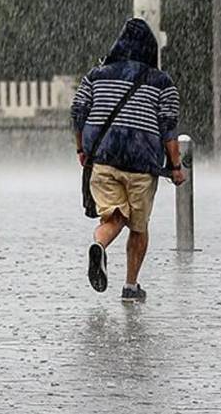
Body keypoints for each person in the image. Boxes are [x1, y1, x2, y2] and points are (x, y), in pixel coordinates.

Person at [71, 18, 185, 302]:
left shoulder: (96, 76)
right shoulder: (162, 82)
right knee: (138, 226)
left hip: (104, 159)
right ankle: (131, 287)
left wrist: (81, 149)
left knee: (114, 216)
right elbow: (168, 128)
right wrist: (176, 167)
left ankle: (99, 244)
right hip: (142, 164)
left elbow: (77, 113)